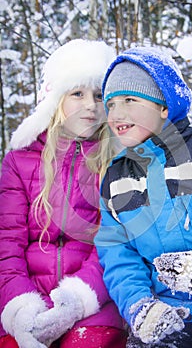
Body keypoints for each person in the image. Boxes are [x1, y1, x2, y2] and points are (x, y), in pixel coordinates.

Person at [95, 46, 192, 348]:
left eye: (130, 100)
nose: (117, 113)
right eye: (111, 104)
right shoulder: (116, 180)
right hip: (166, 311)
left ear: (165, 107)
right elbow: (119, 257)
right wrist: (141, 307)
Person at [0, 39, 128, 348]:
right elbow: (6, 242)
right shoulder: (20, 160)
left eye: (99, 95)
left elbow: (116, 239)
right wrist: (22, 305)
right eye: (77, 94)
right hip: (26, 299)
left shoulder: (118, 160)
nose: (90, 105)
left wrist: (77, 300)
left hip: (93, 306)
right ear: (54, 99)